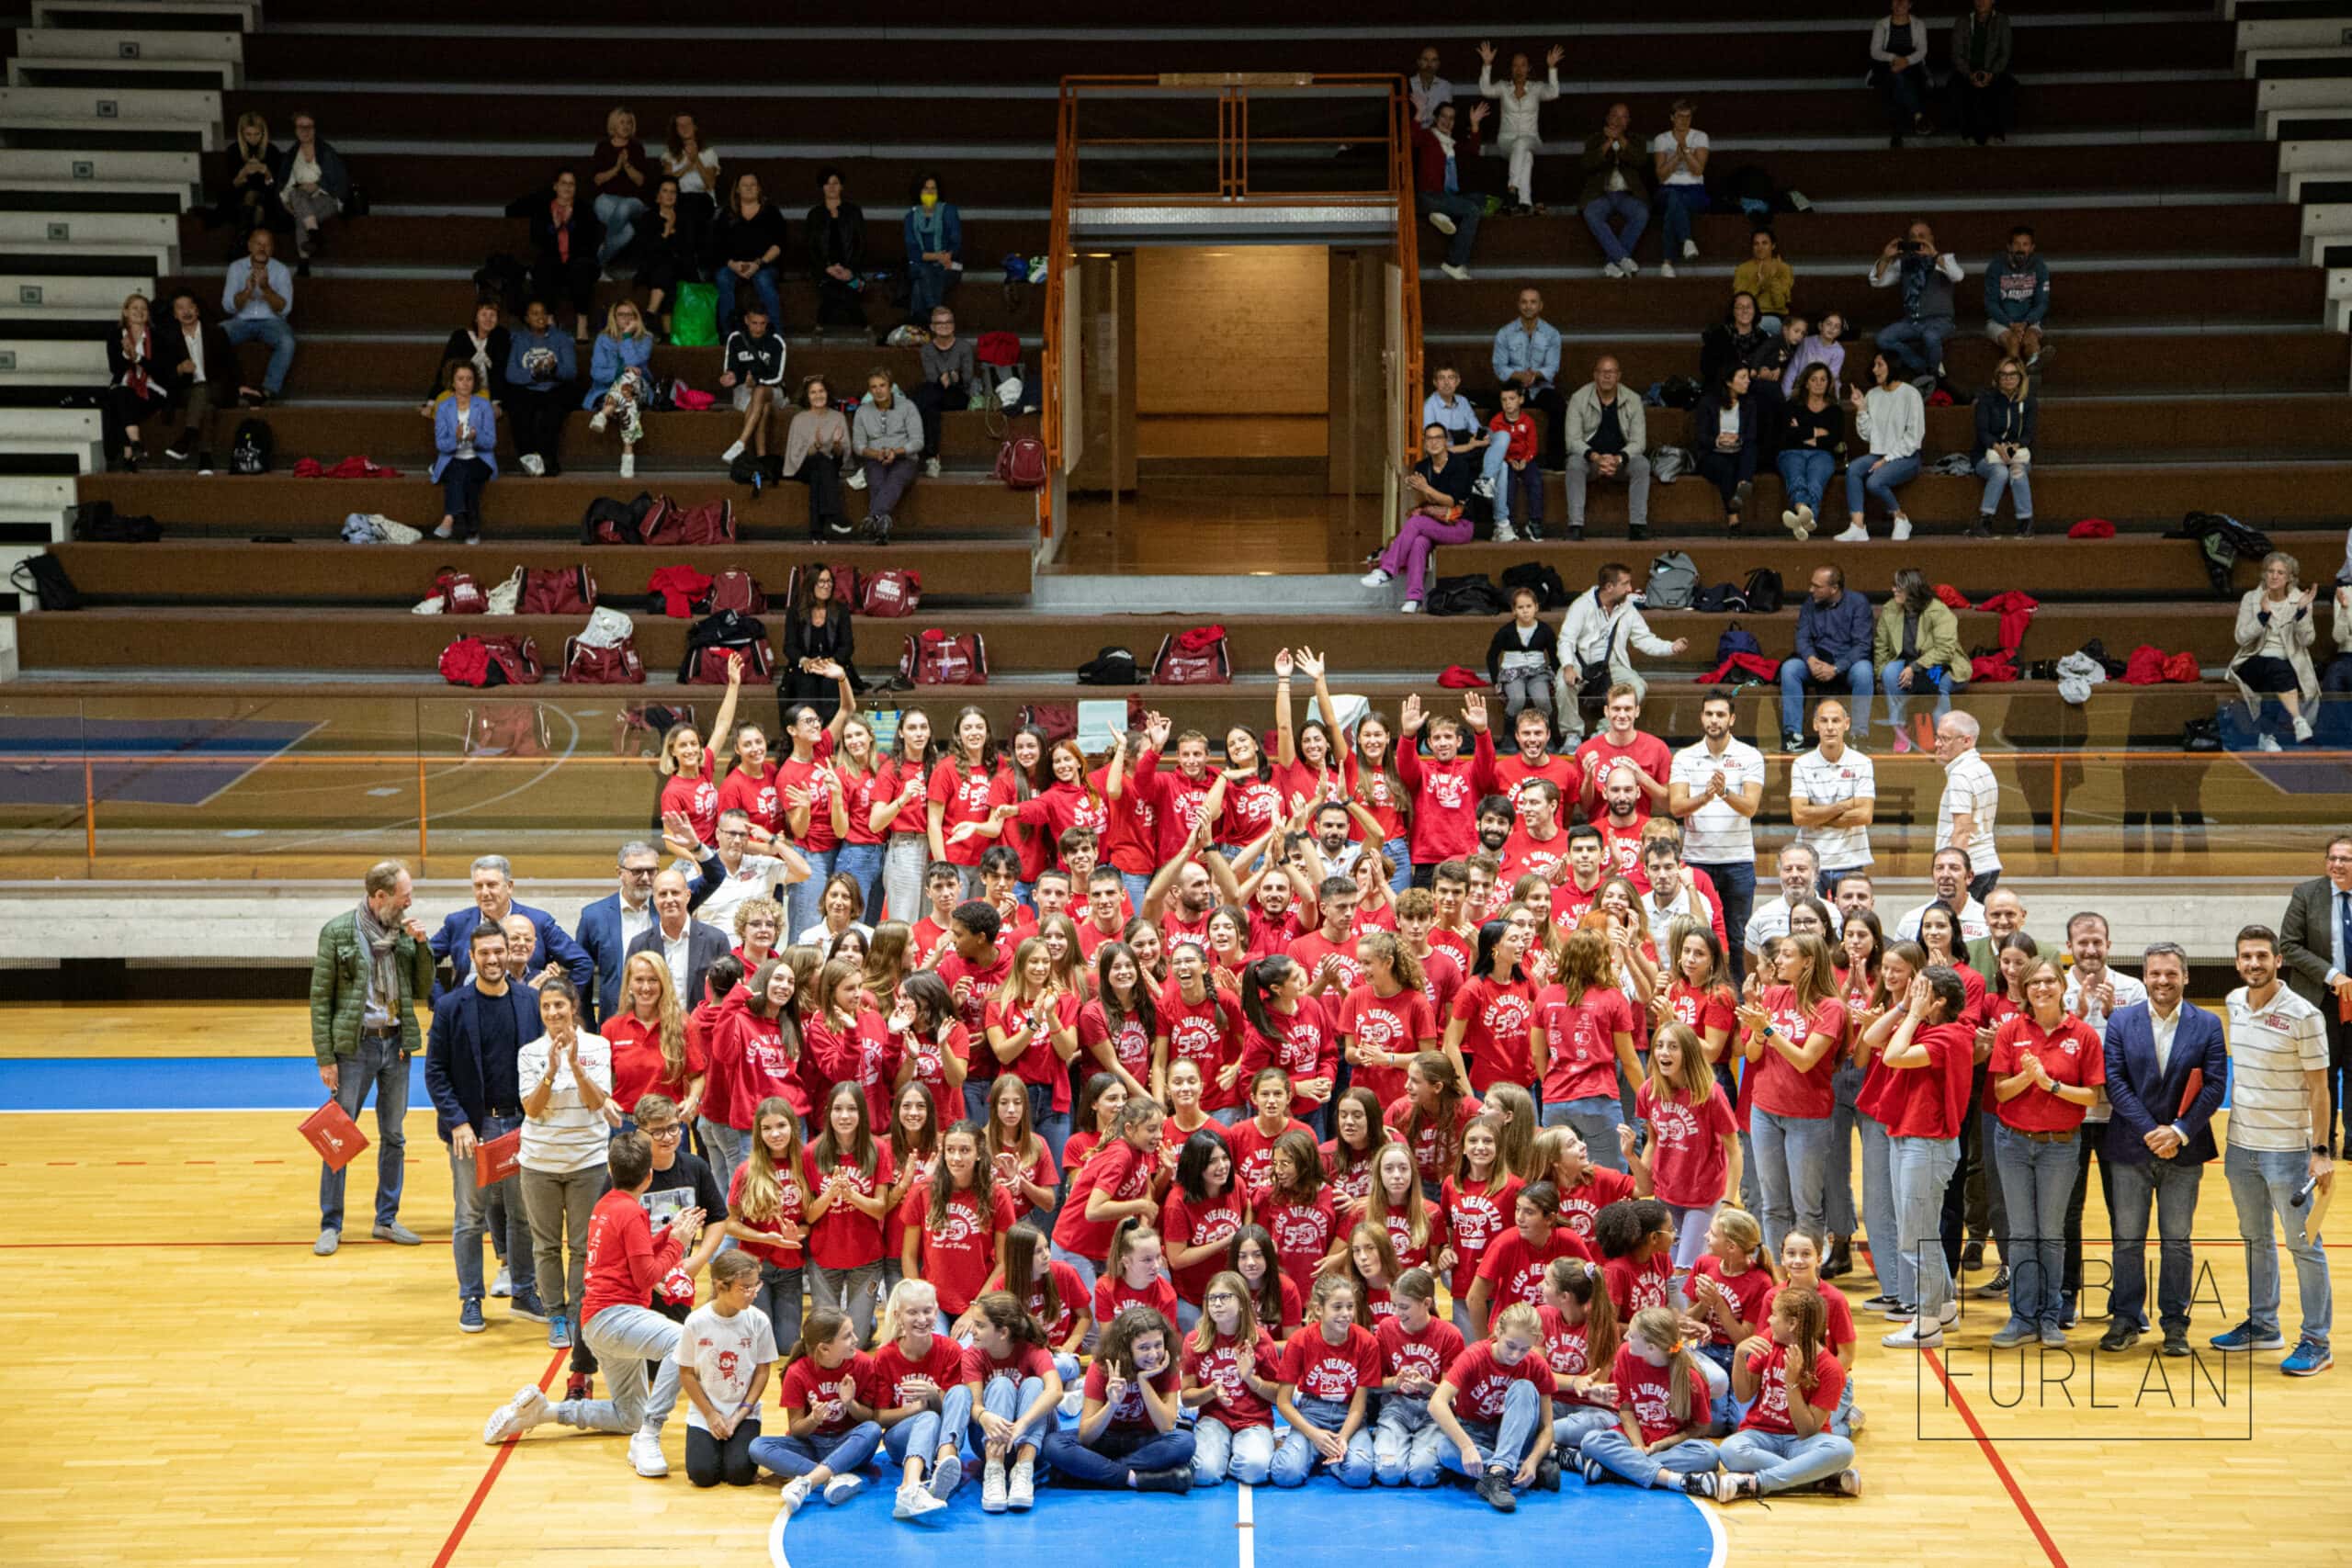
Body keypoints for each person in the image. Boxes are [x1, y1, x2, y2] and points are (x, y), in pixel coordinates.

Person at [481, 1128, 707, 1481]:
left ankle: (546, 1412)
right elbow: (647, 1276)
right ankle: (650, 1434)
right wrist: (678, 1244)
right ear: (649, 1177)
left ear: (610, 1171)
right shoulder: (631, 1212)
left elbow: (636, 1255)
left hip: (598, 1322)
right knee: (682, 1341)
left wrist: (669, 1234)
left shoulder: (608, 1205)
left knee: (627, 1415)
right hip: (616, 1317)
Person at [2218, 925, 2335, 1373]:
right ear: (2236, 961)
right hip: (2240, 1147)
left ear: (2278, 960)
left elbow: (2320, 1089)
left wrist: (2321, 1150)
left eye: (2261, 956)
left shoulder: (2304, 1014)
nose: (2254, 964)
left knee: (2303, 1245)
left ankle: (2316, 1341)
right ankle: (2264, 1326)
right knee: (2255, 1240)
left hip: (2287, 1151)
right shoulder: (2233, 1003)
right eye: (2246, 956)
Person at [2101, 943, 2228, 1357]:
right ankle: (2125, 1318)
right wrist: (2151, 1131)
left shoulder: (2207, 1024)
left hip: (2184, 1151)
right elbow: (2115, 1083)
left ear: (2186, 977)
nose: (2162, 981)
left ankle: (2175, 1324)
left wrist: (2177, 1131)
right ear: (2145, 977)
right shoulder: (2121, 1021)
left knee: (2177, 1241)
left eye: (2171, 974)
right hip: (2130, 1148)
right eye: (2155, 973)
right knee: (2127, 1240)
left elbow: (2214, 1086)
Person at [310, 861, 433, 1257]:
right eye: (404, 896)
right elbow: (320, 998)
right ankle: (331, 1224)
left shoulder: (403, 934)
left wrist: (422, 947)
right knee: (338, 1135)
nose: (409, 902)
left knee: (394, 1135)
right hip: (354, 1049)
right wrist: (325, 1057)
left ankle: (386, 1219)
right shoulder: (338, 932)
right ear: (380, 897)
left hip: (395, 1045)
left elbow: (423, 987)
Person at [1985, 957, 2100, 1348]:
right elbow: (2000, 1092)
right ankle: (2020, 1318)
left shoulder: (2082, 1034)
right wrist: (2027, 1077)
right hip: (2013, 1144)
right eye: (2035, 982)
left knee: (2051, 1235)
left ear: (2062, 986)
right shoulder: (2011, 1031)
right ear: (2026, 989)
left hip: (2061, 1147)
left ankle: (2049, 1317)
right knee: (2022, 1235)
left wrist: (2050, 1085)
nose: (2042, 988)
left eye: (2050, 981)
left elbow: (2090, 1096)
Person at [514, 977, 615, 1381]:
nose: (554, 1013)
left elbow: (596, 1102)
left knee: (581, 1246)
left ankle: (577, 1315)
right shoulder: (529, 1053)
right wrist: (552, 1071)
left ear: (574, 1006)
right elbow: (533, 1109)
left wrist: (574, 1063)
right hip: (538, 1161)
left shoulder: (599, 1047)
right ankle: (555, 1314)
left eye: (560, 1005)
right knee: (546, 1245)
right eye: (546, 1007)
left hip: (587, 1161)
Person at [1716, 1286, 1858, 1499]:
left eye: (1774, 1315)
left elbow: (1807, 1431)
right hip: (1760, 1435)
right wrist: (1739, 1357)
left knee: (1843, 1449)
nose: (1769, 1321)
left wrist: (1791, 1383)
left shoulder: (1830, 1368)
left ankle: (1758, 1483)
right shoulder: (1767, 1341)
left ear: (1792, 1324)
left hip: (1802, 1443)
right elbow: (1744, 1395)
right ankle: (1815, 1479)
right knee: (1730, 1449)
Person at [1040, 1304, 1195, 1491]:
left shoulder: (1167, 1366)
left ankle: (1090, 1474)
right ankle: (1136, 1479)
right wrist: (1112, 1404)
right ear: (1127, 1348)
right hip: (1106, 1438)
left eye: (1158, 1345)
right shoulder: (1102, 1367)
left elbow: (1166, 1427)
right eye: (1144, 1348)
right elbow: (1086, 1436)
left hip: (1145, 1441)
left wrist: (1143, 1381)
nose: (1153, 1354)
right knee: (1053, 1444)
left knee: (1185, 1442)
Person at [1668, 694, 1764, 985]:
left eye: (1721, 714)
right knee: (1695, 932)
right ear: (1701, 717)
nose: (1714, 720)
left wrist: (1724, 793)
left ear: (1731, 719)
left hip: (1738, 862)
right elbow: (1676, 806)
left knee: (1736, 935)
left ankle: (1735, 995)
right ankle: (1694, 992)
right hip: (1697, 860)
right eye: (1709, 714)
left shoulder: (1750, 756)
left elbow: (1750, 807)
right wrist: (1706, 796)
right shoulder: (1685, 757)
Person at [1430, 1301, 1555, 1510]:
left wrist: (1533, 1459)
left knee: (1524, 1387)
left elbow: (1547, 1427)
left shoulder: (1536, 1364)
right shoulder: (1474, 1355)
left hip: (1516, 1437)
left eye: (1525, 1349)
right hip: (1476, 1433)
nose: (1516, 1355)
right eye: (1511, 1345)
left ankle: (1497, 1473)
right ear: (1498, 1331)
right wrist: (1466, 1447)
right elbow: (1436, 1403)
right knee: (1445, 1450)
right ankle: (1514, 1470)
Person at [2278, 834, 2352, 1157]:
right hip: (2320, 1000)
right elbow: (2289, 946)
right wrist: (2332, 974)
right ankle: (2324, 1140)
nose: (2337, 864)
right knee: (2323, 1069)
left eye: (2345, 859)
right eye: (2332, 858)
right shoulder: (2307, 894)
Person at [1556, 565, 1687, 748]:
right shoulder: (1582, 606)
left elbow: (1644, 639)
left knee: (1638, 686)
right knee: (1563, 684)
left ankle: (1603, 731)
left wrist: (1670, 647)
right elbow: (1566, 640)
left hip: (1611, 665)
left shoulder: (1628, 609)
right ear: (1609, 587)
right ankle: (1572, 735)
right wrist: (1568, 667)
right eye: (1625, 584)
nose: (1630, 589)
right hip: (1580, 663)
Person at [677, 1249, 775, 1486]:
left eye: (755, 1286)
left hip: (743, 1411)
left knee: (739, 1475)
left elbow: (762, 1370)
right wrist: (711, 1414)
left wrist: (740, 1414)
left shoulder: (758, 1320)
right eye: (745, 1288)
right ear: (721, 1286)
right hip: (705, 1412)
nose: (752, 1294)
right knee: (702, 1475)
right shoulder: (696, 1322)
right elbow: (686, 1373)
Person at [1360, 422, 1476, 615]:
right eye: (1429, 438)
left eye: (1438, 437)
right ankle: (1414, 598)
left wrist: (1425, 488)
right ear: (1424, 442)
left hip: (1459, 526)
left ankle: (1387, 570)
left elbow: (1450, 502)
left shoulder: (1459, 465)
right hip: (1434, 523)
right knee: (1419, 542)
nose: (1434, 442)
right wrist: (1416, 487)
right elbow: (1426, 500)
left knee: (1416, 522)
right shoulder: (1423, 466)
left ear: (1445, 441)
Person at [2230, 550, 2323, 750]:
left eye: (2280, 572)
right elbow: (2241, 637)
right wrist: (2261, 618)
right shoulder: (2251, 598)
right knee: (2277, 669)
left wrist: (2300, 614)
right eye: (2270, 571)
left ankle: (2266, 736)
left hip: (2287, 664)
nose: (2274, 576)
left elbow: (2307, 640)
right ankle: (2298, 719)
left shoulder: (2300, 600)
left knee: (2275, 677)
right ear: (2264, 574)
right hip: (2253, 660)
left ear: (2290, 578)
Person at [1777, 570, 1874, 752]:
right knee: (1790, 669)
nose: (1811, 589)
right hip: (1818, 663)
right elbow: (1802, 638)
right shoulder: (1809, 604)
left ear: (1834, 588)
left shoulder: (1858, 603)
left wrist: (1837, 668)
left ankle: (1859, 735)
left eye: (1817, 586)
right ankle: (1792, 736)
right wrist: (1811, 659)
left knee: (1864, 671)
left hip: (1847, 666)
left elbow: (1862, 645)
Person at [1833, 351, 1924, 543]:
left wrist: (1887, 459)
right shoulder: (1873, 394)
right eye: (1874, 365)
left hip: (1907, 457)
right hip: (1878, 454)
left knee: (1874, 482)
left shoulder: (1910, 394)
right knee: (1854, 470)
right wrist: (1861, 409)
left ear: (1892, 366)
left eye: (1880, 364)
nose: (1875, 369)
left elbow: (1914, 437)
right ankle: (1857, 526)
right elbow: (1867, 435)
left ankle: (1900, 518)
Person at [1790, 701, 1875, 901]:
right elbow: (1798, 815)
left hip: (1852, 859)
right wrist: (1844, 805)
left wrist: (1817, 816)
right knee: (1811, 925)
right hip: (1811, 861)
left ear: (1846, 724)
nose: (1830, 727)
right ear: (1815, 725)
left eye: (1836, 721)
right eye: (1824, 720)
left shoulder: (1863, 763)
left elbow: (1864, 815)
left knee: (1853, 925)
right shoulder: (1801, 764)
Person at [1874, 568, 1965, 750]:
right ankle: (1902, 729)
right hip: (1907, 664)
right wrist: (1880, 675)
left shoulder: (1939, 611)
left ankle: (1945, 737)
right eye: (1894, 586)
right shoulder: (1890, 609)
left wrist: (1914, 667)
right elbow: (1881, 647)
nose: (1893, 590)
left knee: (1938, 685)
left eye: (1898, 586)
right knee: (1890, 672)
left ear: (1913, 590)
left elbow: (1945, 650)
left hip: (1940, 664)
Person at [1562, 356, 1650, 542]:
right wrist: (1596, 457)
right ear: (1595, 375)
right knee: (1574, 463)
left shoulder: (1632, 399)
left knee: (1642, 464)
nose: (1607, 376)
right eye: (1603, 372)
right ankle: (1575, 526)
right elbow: (1572, 441)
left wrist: (1618, 459)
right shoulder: (1579, 398)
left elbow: (1639, 442)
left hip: (1620, 462)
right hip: (1591, 461)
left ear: (1619, 376)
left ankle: (1638, 526)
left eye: (1611, 372)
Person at [1869, 221, 1963, 390]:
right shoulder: (1904, 263)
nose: (1917, 240)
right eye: (1913, 237)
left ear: (1931, 238)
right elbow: (1877, 281)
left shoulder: (1945, 259)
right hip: (1911, 321)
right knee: (1883, 338)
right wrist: (1886, 257)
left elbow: (1958, 276)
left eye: (1922, 236)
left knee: (1930, 337)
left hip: (1940, 320)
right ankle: (1925, 370)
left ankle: (1933, 376)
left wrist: (1934, 255)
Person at [1476, 41, 1562, 215]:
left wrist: (1552, 68)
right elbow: (1485, 89)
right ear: (1511, 69)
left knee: (1523, 144)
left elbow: (1553, 92)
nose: (1519, 69)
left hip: (1531, 139)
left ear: (1529, 68)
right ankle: (1524, 202)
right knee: (1526, 157)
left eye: (1523, 65)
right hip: (1506, 141)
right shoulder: (1503, 87)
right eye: (1515, 66)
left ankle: (1511, 189)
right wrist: (1487, 64)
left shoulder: (1536, 88)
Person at [1408, 100, 1487, 282]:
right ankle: (1453, 262)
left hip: (1445, 197)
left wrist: (1475, 124)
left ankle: (1441, 214)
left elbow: (1472, 150)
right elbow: (1412, 138)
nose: (1447, 121)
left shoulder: (1452, 145)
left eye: (1451, 118)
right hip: (1428, 197)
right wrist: (1419, 113)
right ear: (1436, 118)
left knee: (1479, 199)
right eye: (1443, 116)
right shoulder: (1428, 137)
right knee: (1472, 210)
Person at [158, 288, 237, 468]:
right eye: (180, 308)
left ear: (197, 310)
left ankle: (187, 437)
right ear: (175, 315)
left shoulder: (216, 333)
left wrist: (239, 386)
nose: (186, 312)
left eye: (190, 307)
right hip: (186, 391)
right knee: (207, 408)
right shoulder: (169, 340)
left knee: (204, 390)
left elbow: (231, 364)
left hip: (216, 388)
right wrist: (179, 369)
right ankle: (205, 458)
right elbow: (164, 375)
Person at [1491, 288, 1566, 473]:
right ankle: (1496, 460)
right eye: (1524, 302)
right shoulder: (1505, 333)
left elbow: (1552, 367)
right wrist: (1520, 376)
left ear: (1540, 306)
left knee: (1559, 406)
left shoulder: (1552, 334)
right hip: (1513, 387)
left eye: (1533, 302)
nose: (1528, 306)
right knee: (1494, 409)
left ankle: (1555, 464)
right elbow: (1499, 367)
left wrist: (1534, 375)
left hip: (1541, 387)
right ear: (1519, 305)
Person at [1931, 713, 2001, 902]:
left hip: (1970, 869)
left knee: (1950, 928)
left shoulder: (1960, 776)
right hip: (1988, 864)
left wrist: (1952, 873)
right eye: (1937, 737)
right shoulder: (1983, 768)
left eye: (1945, 739)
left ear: (1967, 741)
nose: (1937, 744)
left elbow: (1962, 831)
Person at [220, 227, 294, 405]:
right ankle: (232, 387)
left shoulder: (281, 270)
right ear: (249, 246)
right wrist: (247, 291)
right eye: (258, 244)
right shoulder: (236, 268)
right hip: (241, 321)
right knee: (216, 335)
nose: (262, 248)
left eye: (267, 245)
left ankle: (267, 392)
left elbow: (285, 309)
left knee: (287, 342)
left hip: (272, 322)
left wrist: (267, 289)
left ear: (272, 248)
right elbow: (229, 307)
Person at [503, 299, 577, 478]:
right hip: (528, 387)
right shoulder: (519, 340)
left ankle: (548, 459)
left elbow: (572, 371)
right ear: (527, 318)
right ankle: (528, 458)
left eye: (543, 313)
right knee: (518, 409)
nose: (540, 317)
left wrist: (555, 369)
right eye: (535, 313)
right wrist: (533, 374)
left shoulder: (561, 338)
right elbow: (511, 374)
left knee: (552, 412)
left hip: (554, 386)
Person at [526, 170, 603, 340]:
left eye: (571, 184)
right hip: (554, 259)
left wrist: (570, 225)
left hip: (578, 259)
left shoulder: (583, 209)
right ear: (555, 186)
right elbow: (537, 239)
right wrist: (555, 227)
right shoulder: (543, 209)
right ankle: (550, 321)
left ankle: (582, 323)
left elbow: (593, 238)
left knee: (582, 268)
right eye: (563, 183)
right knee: (544, 267)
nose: (567, 187)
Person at [582, 299, 654, 479]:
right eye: (621, 315)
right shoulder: (602, 339)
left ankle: (604, 413)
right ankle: (628, 452)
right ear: (614, 318)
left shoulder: (645, 339)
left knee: (631, 378)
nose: (626, 319)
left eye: (631, 315)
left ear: (636, 318)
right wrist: (621, 371)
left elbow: (634, 363)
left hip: (639, 388)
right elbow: (596, 372)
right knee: (627, 393)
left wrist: (628, 336)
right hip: (607, 390)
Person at [272, 110, 349, 274]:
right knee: (295, 195)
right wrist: (285, 202)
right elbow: (285, 183)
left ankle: (303, 263)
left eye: (309, 127)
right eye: (301, 127)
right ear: (295, 130)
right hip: (301, 198)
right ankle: (315, 235)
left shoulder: (326, 152)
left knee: (301, 216)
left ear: (314, 129)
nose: (305, 131)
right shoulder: (292, 155)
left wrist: (318, 185)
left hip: (327, 199)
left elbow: (340, 182)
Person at [852, 367, 922, 546]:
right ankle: (881, 525)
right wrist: (877, 454)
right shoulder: (862, 411)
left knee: (896, 477)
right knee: (876, 479)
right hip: (875, 458)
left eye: (882, 385)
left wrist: (894, 452)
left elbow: (917, 442)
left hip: (904, 458)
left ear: (890, 387)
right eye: (873, 387)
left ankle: (873, 517)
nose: (878, 390)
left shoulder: (907, 407)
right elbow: (858, 446)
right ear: (869, 390)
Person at [628, 177, 704, 339]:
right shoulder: (648, 218)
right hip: (652, 267)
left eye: (673, 192)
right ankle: (666, 334)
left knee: (668, 267)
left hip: (681, 267)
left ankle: (650, 315)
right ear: (658, 196)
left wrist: (672, 236)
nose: (669, 195)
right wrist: (667, 230)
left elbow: (688, 249)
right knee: (665, 269)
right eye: (665, 191)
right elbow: (648, 250)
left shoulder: (685, 219)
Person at [1579, 102, 1649, 279]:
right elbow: (1587, 164)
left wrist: (1621, 140)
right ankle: (1623, 257)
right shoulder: (1595, 139)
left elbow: (1640, 161)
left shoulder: (1637, 140)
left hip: (1627, 194)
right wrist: (1608, 143)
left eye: (1623, 117)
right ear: (1608, 118)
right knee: (1591, 213)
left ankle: (1612, 262)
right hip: (1601, 194)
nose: (1618, 120)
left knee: (1641, 213)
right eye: (1615, 116)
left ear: (1628, 121)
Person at [711, 172, 786, 332]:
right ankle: (728, 335)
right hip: (733, 265)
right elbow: (717, 245)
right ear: (737, 190)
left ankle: (776, 334)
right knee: (723, 279)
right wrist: (732, 264)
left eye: (753, 185)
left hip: (763, 264)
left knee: (764, 281)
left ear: (759, 188)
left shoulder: (771, 212)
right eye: (745, 185)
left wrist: (758, 263)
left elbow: (779, 245)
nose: (749, 188)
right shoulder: (727, 213)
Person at [429, 364, 496, 543]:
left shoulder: (484, 405)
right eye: (460, 379)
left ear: (474, 382)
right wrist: (456, 438)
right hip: (452, 458)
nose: (465, 383)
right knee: (465, 476)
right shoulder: (443, 407)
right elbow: (441, 444)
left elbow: (490, 442)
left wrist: (475, 438)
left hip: (479, 459)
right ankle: (472, 530)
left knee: (463, 471)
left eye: (469, 379)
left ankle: (449, 518)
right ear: (453, 382)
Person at [1971, 355, 2037, 538]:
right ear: (1997, 377)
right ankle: (1984, 520)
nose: (2008, 379)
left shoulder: (2028, 401)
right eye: (2004, 375)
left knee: (2017, 471)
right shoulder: (1986, 399)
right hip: (1987, 454)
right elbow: (1982, 431)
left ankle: (2026, 522)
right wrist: (1998, 447)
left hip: (2016, 454)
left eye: (2013, 375)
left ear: (2021, 377)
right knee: (2000, 472)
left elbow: (2029, 434)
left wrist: (2016, 446)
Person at [101, 292, 168, 470]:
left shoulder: (158, 337)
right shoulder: (116, 336)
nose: (139, 312)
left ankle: (127, 452)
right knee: (121, 394)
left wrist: (137, 357)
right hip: (124, 387)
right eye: (134, 308)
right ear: (125, 312)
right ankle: (134, 446)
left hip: (151, 389)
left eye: (143, 308)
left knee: (117, 401)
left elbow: (160, 370)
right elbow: (115, 368)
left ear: (148, 314)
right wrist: (125, 354)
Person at [783, 375, 854, 540]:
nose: (818, 395)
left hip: (829, 465)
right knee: (820, 461)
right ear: (807, 397)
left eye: (821, 391)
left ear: (827, 393)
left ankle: (816, 533)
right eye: (813, 392)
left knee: (820, 471)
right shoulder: (799, 419)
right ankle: (835, 513)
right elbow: (796, 456)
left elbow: (842, 455)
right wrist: (815, 446)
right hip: (803, 466)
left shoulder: (838, 417)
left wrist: (836, 444)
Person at [1692, 366, 1758, 532]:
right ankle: (1733, 515)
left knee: (1750, 448)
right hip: (1713, 454)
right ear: (1729, 382)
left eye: (1748, 377)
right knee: (1725, 467)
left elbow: (1751, 433)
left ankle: (1743, 483)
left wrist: (1738, 438)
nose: (1747, 381)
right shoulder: (1708, 402)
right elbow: (1701, 435)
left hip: (1738, 451)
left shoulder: (1749, 403)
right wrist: (1718, 440)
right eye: (1742, 377)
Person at [910, 306, 972, 480]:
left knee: (921, 399)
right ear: (932, 327)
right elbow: (932, 377)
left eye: (948, 322)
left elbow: (966, 378)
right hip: (935, 391)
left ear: (953, 325)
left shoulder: (964, 347)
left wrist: (948, 376)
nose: (944, 326)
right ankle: (932, 457)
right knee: (930, 408)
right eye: (939, 323)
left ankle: (911, 449)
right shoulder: (927, 349)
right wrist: (951, 373)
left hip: (958, 395)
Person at [421, 300, 514, 415]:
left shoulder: (501, 338)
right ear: (476, 318)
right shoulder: (460, 337)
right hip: (461, 389)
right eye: (484, 314)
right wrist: (431, 402)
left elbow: (500, 372)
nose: (488, 319)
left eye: (492, 315)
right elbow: (447, 368)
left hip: (488, 393)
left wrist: (497, 403)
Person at [1649, 99, 1709, 276]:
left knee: (1673, 209)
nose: (1684, 121)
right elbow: (1661, 175)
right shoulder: (1661, 139)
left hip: (1694, 190)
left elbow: (1698, 170)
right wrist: (1676, 157)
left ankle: (1667, 262)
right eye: (1680, 117)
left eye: (1688, 117)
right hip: (1667, 189)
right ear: (1671, 118)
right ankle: (1687, 240)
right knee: (1673, 197)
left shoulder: (1700, 137)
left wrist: (1686, 150)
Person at [805, 167, 867, 334]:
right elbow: (810, 248)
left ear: (842, 187)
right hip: (824, 270)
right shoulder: (814, 214)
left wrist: (850, 270)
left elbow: (861, 244)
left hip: (850, 269)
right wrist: (827, 268)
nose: (831, 187)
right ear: (822, 187)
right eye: (827, 183)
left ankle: (819, 325)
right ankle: (865, 325)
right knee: (838, 289)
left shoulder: (854, 212)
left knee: (843, 286)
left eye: (835, 183)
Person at [1486, 587, 1559, 728]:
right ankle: (1509, 736)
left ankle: (1548, 734)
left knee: (1542, 700)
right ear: (1513, 610)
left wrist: (1555, 676)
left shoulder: (1545, 630)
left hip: (1538, 673)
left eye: (1529, 606)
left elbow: (1554, 655)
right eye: (1520, 607)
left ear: (1536, 607)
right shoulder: (1505, 631)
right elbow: (1491, 656)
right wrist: (1496, 680)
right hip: (1512, 673)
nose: (1525, 610)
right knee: (1518, 699)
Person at [589, 107, 649, 271]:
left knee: (625, 207)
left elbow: (641, 182)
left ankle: (603, 248)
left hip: (633, 202)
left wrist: (627, 165)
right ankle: (599, 264)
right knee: (627, 233)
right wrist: (616, 168)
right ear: (613, 125)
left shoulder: (637, 148)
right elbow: (598, 179)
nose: (626, 126)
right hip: (606, 199)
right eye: (622, 122)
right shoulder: (603, 147)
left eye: (629, 123)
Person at [1951, 0, 2018, 145]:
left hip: (1993, 70)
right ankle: (1967, 135)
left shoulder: (2002, 20)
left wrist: (1991, 74)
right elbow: (1957, 54)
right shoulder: (1962, 21)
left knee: (2004, 88)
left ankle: (1996, 134)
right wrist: (1969, 74)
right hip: (1968, 70)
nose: (1981, 1)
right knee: (1957, 88)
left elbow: (2005, 53)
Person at [1984, 225, 2051, 369]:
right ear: (2009, 246)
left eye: (2025, 244)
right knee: (2013, 341)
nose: (2021, 248)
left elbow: (2042, 303)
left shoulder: (2039, 266)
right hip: (1999, 322)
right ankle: (2015, 379)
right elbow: (1991, 304)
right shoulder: (1996, 266)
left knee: (2031, 340)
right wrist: (2010, 324)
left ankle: (2033, 369)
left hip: (2028, 322)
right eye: (2016, 244)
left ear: (2032, 248)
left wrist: (2026, 323)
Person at [1871, 0, 1935, 145]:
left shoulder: (1919, 24)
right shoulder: (1881, 24)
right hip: (1886, 64)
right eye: (1896, 1)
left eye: (1903, 1)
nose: (1899, 4)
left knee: (1899, 84)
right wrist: (1894, 58)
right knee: (1896, 78)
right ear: (1891, 4)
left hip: (1911, 64)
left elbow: (1922, 50)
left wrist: (1906, 61)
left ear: (1910, 5)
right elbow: (1875, 51)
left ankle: (1897, 133)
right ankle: (1918, 116)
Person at [902, 172, 963, 326]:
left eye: (933, 189)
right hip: (921, 266)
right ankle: (936, 313)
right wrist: (937, 256)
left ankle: (918, 326)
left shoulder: (949, 211)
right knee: (923, 271)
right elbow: (913, 253)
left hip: (947, 265)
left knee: (919, 285)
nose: (929, 193)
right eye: (925, 189)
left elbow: (956, 243)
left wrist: (947, 257)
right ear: (918, 192)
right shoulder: (910, 217)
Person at [1483, 385, 1542, 542]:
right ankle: (1510, 522)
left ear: (1521, 400)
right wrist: (1509, 460)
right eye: (1504, 400)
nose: (1508, 403)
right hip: (1506, 460)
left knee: (1535, 480)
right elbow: (1495, 447)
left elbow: (1533, 446)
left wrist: (1525, 460)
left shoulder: (1528, 421)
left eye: (1512, 399)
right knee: (1507, 483)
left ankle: (1535, 521)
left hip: (1525, 460)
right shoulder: (1496, 422)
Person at [217, 111, 282, 243]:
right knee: (256, 207)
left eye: (257, 134)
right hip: (239, 198)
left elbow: (276, 187)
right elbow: (231, 186)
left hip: (267, 197)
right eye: (248, 134)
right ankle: (248, 242)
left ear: (263, 133)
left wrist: (266, 172)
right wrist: (243, 173)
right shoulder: (234, 151)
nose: (253, 138)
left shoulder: (272, 151)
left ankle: (242, 241)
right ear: (242, 134)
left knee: (257, 203)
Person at [1699, 291, 1771, 389]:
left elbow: (1768, 365)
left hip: (1753, 389)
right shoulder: (1718, 335)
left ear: (1755, 311)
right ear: (1733, 311)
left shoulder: (1763, 337)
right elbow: (1707, 368)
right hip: (1723, 389)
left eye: (1749, 307)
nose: (1745, 311)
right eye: (1740, 307)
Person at [662, 112, 722, 223]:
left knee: (692, 208)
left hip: (703, 199)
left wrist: (697, 160)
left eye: (688, 124)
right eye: (680, 125)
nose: (684, 128)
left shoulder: (708, 153)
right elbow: (668, 182)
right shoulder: (669, 155)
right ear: (676, 130)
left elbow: (710, 184)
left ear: (695, 127)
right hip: (679, 199)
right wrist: (689, 164)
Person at [1735, 230, 1795, 333]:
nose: (1760, 248)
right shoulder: (1742, 269)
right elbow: (1739, 301)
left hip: (1774, 316)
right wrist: (1760, 285)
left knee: (1756, 325)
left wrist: (1772, 279)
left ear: (1773, 246)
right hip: (1747, 314)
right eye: (1756, 244)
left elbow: (1779, 304)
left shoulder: (1784, 268)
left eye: (1764, 243)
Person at [1409, 44, 1453, 126]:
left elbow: (1446, 116)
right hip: (1413, 132)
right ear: (1418, 62)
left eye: (1434, 60)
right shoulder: (1408, 84)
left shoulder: (1445, 86)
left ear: (1438, 64)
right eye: (1425, 59)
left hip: (1436, 134)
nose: (1429, 64)